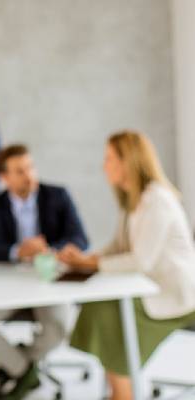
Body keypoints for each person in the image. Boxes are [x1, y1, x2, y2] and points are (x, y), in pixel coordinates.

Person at [58, 130, 195, 400]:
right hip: (149, 287)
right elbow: (119, 247)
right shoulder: (132, 200)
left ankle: (123, 392)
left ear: (128, 161)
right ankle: (119, 388)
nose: (104, 165)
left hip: (174, 296)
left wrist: (94, 265)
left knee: (110, 310)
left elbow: (140, 260)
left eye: (109, 158)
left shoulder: (157, 200)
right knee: (101, 303)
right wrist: (86, 259)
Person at [0, 144, 89, 400]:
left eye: (30, 167)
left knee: (59, 327)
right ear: (4, 178)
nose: (29, 175)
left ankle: (12, 366)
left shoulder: (57, 196)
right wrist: (17, 251)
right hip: (7, 284)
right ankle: (24, 370)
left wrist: (51, 249)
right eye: (20, 171)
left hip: (49, 280)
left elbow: (80, 238)